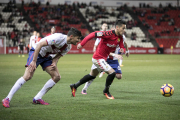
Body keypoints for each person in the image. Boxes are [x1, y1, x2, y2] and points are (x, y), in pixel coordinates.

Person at [2, 27, 82, 108]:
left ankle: (37, 98)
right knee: (28, 76)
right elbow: (40, 44)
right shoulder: (58, 38)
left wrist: (54, 62)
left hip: (46, 56)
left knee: (56, 77)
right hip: (37, 52)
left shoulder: (68, 47)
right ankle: (7, 98)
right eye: (78, 38)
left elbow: (58, 56)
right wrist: (34, 61)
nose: (79, 41)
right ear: (71, 36)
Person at [70, 19, 126, 99]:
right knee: (112, 73)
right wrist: (82, 44)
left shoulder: (120, 37)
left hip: (103, 59)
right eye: (123, 28)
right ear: (117, 27)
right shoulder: (107, 33)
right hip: (98, 58)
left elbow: (122, 46)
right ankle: (106, 91)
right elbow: (93, 34)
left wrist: (122, 50)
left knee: (91, 76)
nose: (124, 30)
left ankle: (74, 86)